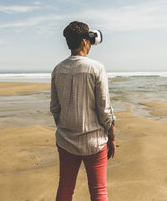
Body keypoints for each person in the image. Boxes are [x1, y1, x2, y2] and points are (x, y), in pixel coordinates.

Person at [50, 21, 116, 201]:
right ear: (85, 42)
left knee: (65, 187)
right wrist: (111, 137)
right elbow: (104, 109)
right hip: (94, 141)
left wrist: (65, 129)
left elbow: (55, 108)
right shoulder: (96, 68)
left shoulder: (58, 69)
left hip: (65, 140)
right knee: (99, 190)